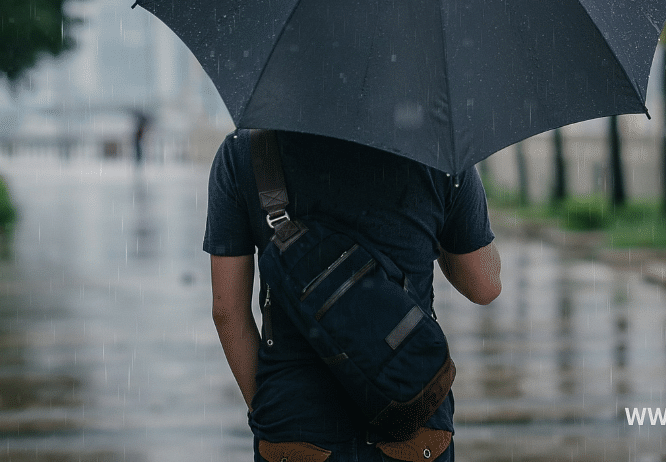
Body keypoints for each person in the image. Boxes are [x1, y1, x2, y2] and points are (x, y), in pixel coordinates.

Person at [206, 129, 501, 462]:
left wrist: (269, 411)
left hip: (295, 425)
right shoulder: (439, 150)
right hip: (410, 414)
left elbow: (227, 310)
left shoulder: (247, 149)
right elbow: (484, 285)